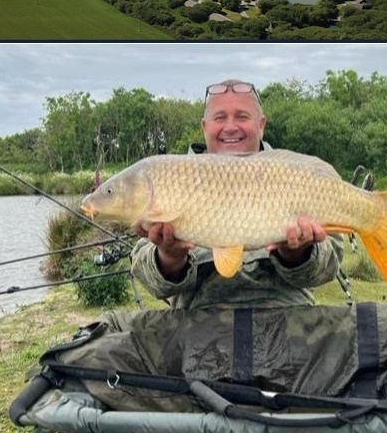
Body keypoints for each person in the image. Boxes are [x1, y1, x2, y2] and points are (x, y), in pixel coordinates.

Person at [131, 79, 344, 310]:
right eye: (220, 118)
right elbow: (153, 284)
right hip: (198, 326)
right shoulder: (172, 178)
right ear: (205, 127)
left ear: (261, 125)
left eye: (242, 117)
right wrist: (170, 256)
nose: (230, 127)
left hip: (288, 322)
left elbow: (328, 269)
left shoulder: (298, 174)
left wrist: (297, 254)